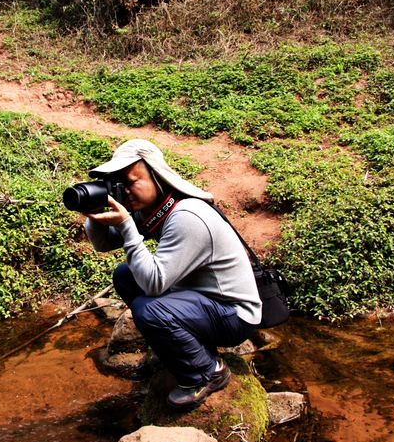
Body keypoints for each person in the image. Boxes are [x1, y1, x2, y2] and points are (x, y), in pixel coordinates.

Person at [83, 139, 263, 409]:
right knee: (125, 275)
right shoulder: (156, 208)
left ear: (156, 175)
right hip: (201, 302)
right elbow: (104, 243)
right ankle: (184, 348)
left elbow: (155, 284)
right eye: (119, 185)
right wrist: (94, 212)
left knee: (149, 308)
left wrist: (127, 227)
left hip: (233, 315)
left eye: (131, 182)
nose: (125, 191)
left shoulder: (186, 216)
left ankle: (207, 372)